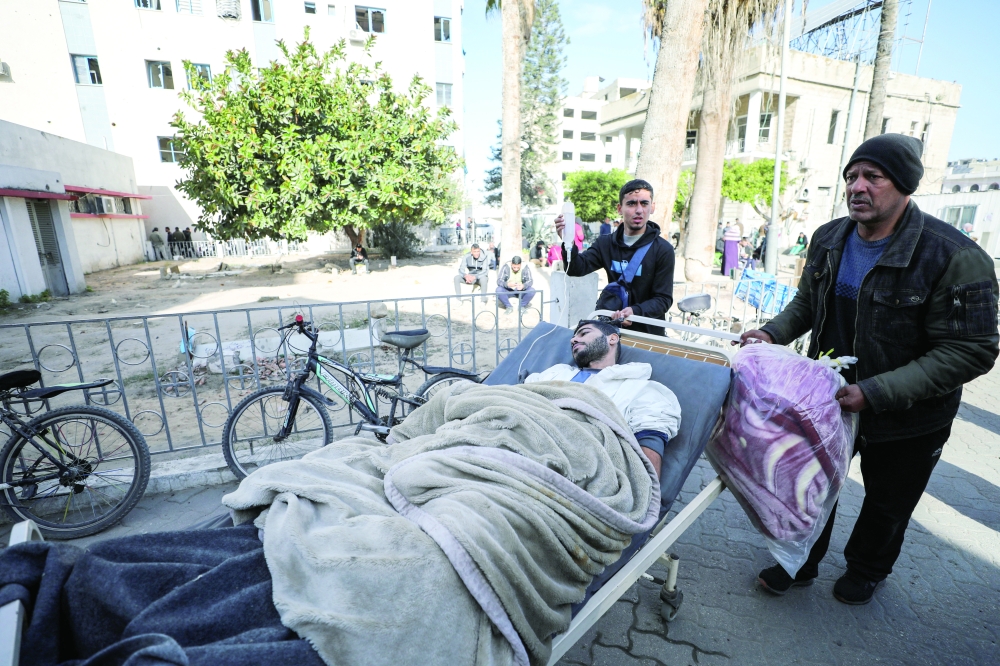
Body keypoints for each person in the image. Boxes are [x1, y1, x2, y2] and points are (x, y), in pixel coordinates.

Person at [739, 134, 999, 605]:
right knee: (812, 485)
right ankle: (799, 561)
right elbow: (806, 303)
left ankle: (867, 570)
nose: (857, 187)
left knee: (888, 503)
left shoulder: (954, 256)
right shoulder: (828, 237)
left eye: (872, 177)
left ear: (904, 185)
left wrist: (876, 392)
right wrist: (771, 333)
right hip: (827, 401)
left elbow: (971, 350)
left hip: (909, 416)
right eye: (851, 176)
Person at [526, 319, 681, 485]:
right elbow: (518, 398)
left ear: (612, 338)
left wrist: (646, 489)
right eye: (573, 338)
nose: (573, 340)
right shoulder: (555, 373)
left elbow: (651, 436)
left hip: (571, 463)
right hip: (527, 438)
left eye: (584, 333)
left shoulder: (639, 388)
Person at [554, 179, 676, 336]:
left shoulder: (663, 250)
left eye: (644, 203)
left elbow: (663, 299)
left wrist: (635, 311)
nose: (639, 210)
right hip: (612, 332)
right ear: (620, 208)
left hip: (647, 335)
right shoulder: (605, 243)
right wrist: (568, 241)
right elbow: (575, 269)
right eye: (631, 204)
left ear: (652, 207)